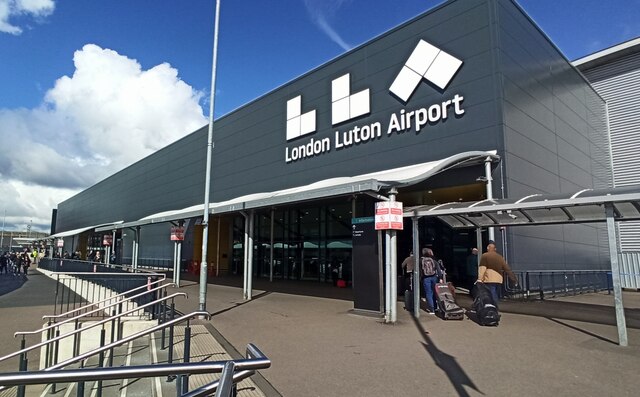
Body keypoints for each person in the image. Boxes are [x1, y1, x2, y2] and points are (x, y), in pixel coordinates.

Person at [476, 241, 517, 307]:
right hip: (499, 279)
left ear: (487, 248)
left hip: (489, 278)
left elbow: (482, 268)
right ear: (495, 249)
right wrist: (513, 278)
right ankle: (495, 305)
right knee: (495, 292)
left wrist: (480, 279)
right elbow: (507, 268)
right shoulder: (500, 257)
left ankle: (492, 306)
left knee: (490, 292)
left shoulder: (485, 256)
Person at [420, 247, 444, 314]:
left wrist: (420, 278)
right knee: (435, 292)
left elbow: (420, 271)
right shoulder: (433, 260)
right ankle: (436, 307)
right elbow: (439, 270)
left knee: (428, 293)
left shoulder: (421, 260)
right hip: (434, 277)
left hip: (426, 278)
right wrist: (440, 278)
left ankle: (431, 309)